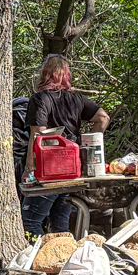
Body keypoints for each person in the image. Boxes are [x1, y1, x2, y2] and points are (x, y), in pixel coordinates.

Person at [21, 54, 109, 237]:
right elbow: (103, 118)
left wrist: (30, 168)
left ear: (45, 74)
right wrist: (86, 145)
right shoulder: (77, 99)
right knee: (60, 225)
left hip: (49, 170)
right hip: (72, 170)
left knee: (30, 222)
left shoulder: (39, 99)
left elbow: (37, 135)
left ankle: (38, 261)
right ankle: (60, 261)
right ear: (66, 76)